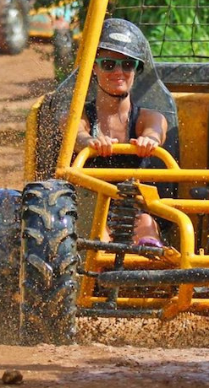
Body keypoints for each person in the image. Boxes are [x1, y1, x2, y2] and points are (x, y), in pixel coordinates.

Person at [73, 18, 168, 247]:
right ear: (94, 68)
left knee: (146, 223)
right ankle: (98, 277)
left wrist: (150, 140)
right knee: (98, 235)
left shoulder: (148, 117)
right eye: (108, 64)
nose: (119, 72)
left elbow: (157, 130)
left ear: (136, 70)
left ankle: (148, 277)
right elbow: (76, 134)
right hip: (88, 208)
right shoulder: (81, 115)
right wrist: (91, 142)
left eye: (127, 65)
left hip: (132, 208)